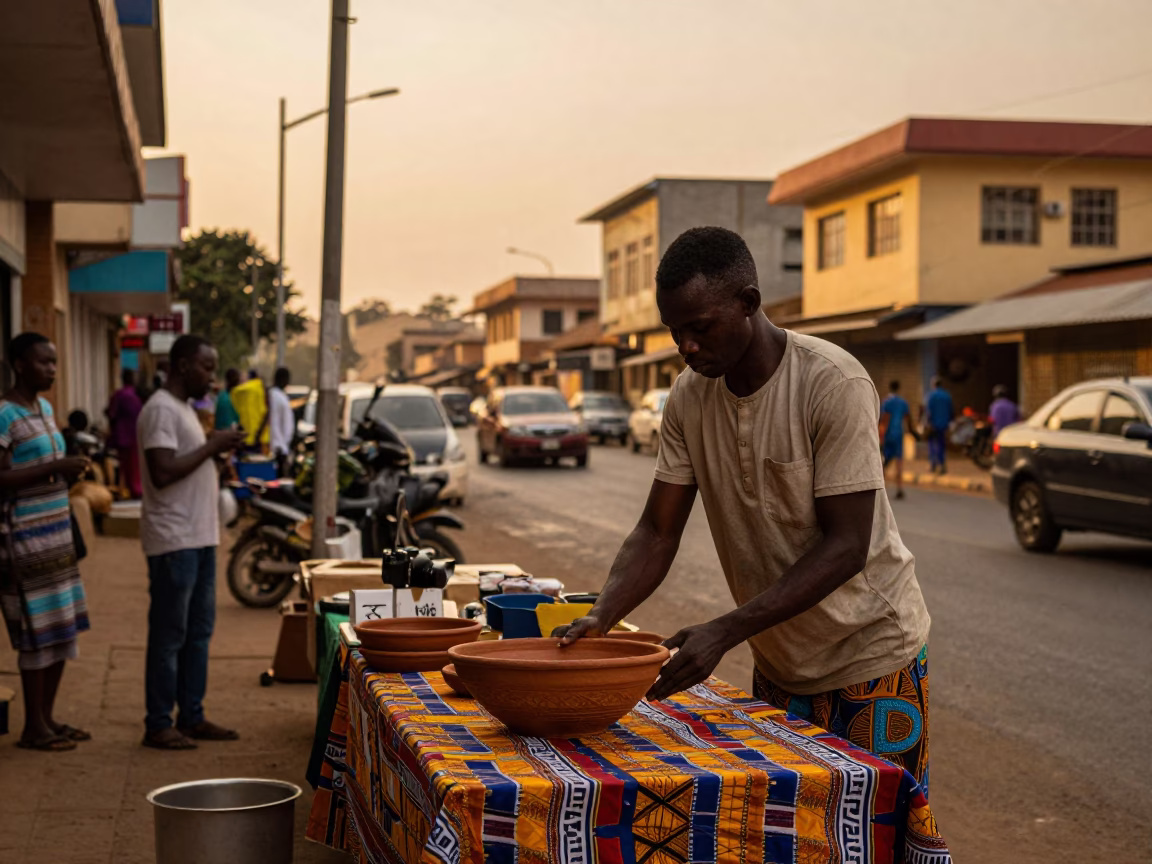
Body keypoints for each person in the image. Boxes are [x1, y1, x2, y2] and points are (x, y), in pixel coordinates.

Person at [555, 228, 933, 790]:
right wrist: (602, 614)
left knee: (872, 836)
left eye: (700, 328)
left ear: (749, 303)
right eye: (675, 331)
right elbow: (658, 531)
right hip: (779, 663)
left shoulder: (831, 382)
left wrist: (724, 631)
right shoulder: (688, 396)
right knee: (788, 838)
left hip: (871, 660)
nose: (686, 345)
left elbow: (847, 546)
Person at [138, 334, 246, 750]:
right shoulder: (160, 409)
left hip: (199, 536)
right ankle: (159, 722)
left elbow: (185, 464)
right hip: (173, 539)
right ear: (182, 365)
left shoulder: (182, 409)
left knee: (199, 631)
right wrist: (212, 446)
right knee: (170, 634)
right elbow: (163, 470)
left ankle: (192, 715)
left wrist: (217, 455)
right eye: (207, 367)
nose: (213, 378)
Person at [0, 333, 92, 751]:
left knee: (60, 629)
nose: (52, 370)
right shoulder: (4, 414)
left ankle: (48, 719)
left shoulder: (45, 408)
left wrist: (67, 473)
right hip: (23, 541)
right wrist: (55, 465)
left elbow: (41, 469)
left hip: (56, 537)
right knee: (36, 633)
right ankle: (32, 727)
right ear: (20, 364)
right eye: (43, 362)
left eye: (54, 362)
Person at [107, 369, 143, 498]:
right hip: (132, 435)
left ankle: (128, 488)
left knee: (126, 465)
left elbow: (111, 414)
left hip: (124, 435)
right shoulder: (133, 395)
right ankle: (133, 488)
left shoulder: (121, 395)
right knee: (133, 464)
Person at [880, 380, 915, 500]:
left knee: (883, 464)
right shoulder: (903, 403)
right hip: (899, 435)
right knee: (899, 462)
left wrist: (881, 437)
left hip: (889, 436)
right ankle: (900, 488)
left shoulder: (887, 402)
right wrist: (912, 433)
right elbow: (907, 419)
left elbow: (885, 420)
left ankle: (882, 490)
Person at [922, 377, 954, 475]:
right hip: (944, 424)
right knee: (941, 444)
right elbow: (951, 410)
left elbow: (928, 411)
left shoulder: (931, 396)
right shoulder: (947, 396)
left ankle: (933, 464)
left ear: (933, 385)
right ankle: (942, 464)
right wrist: (949, 422)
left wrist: (927, 423)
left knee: (932, 444)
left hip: (933, 424)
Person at [230, 370, 268, 450]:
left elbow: (234, 392)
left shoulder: (242, 391)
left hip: (247, 436)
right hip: (259, 437)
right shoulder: (259, 388)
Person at [267, 367, 294, 476]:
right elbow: (287, 427)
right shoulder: (282, 398)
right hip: (280, 448)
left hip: (268, 446)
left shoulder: (269, 394)